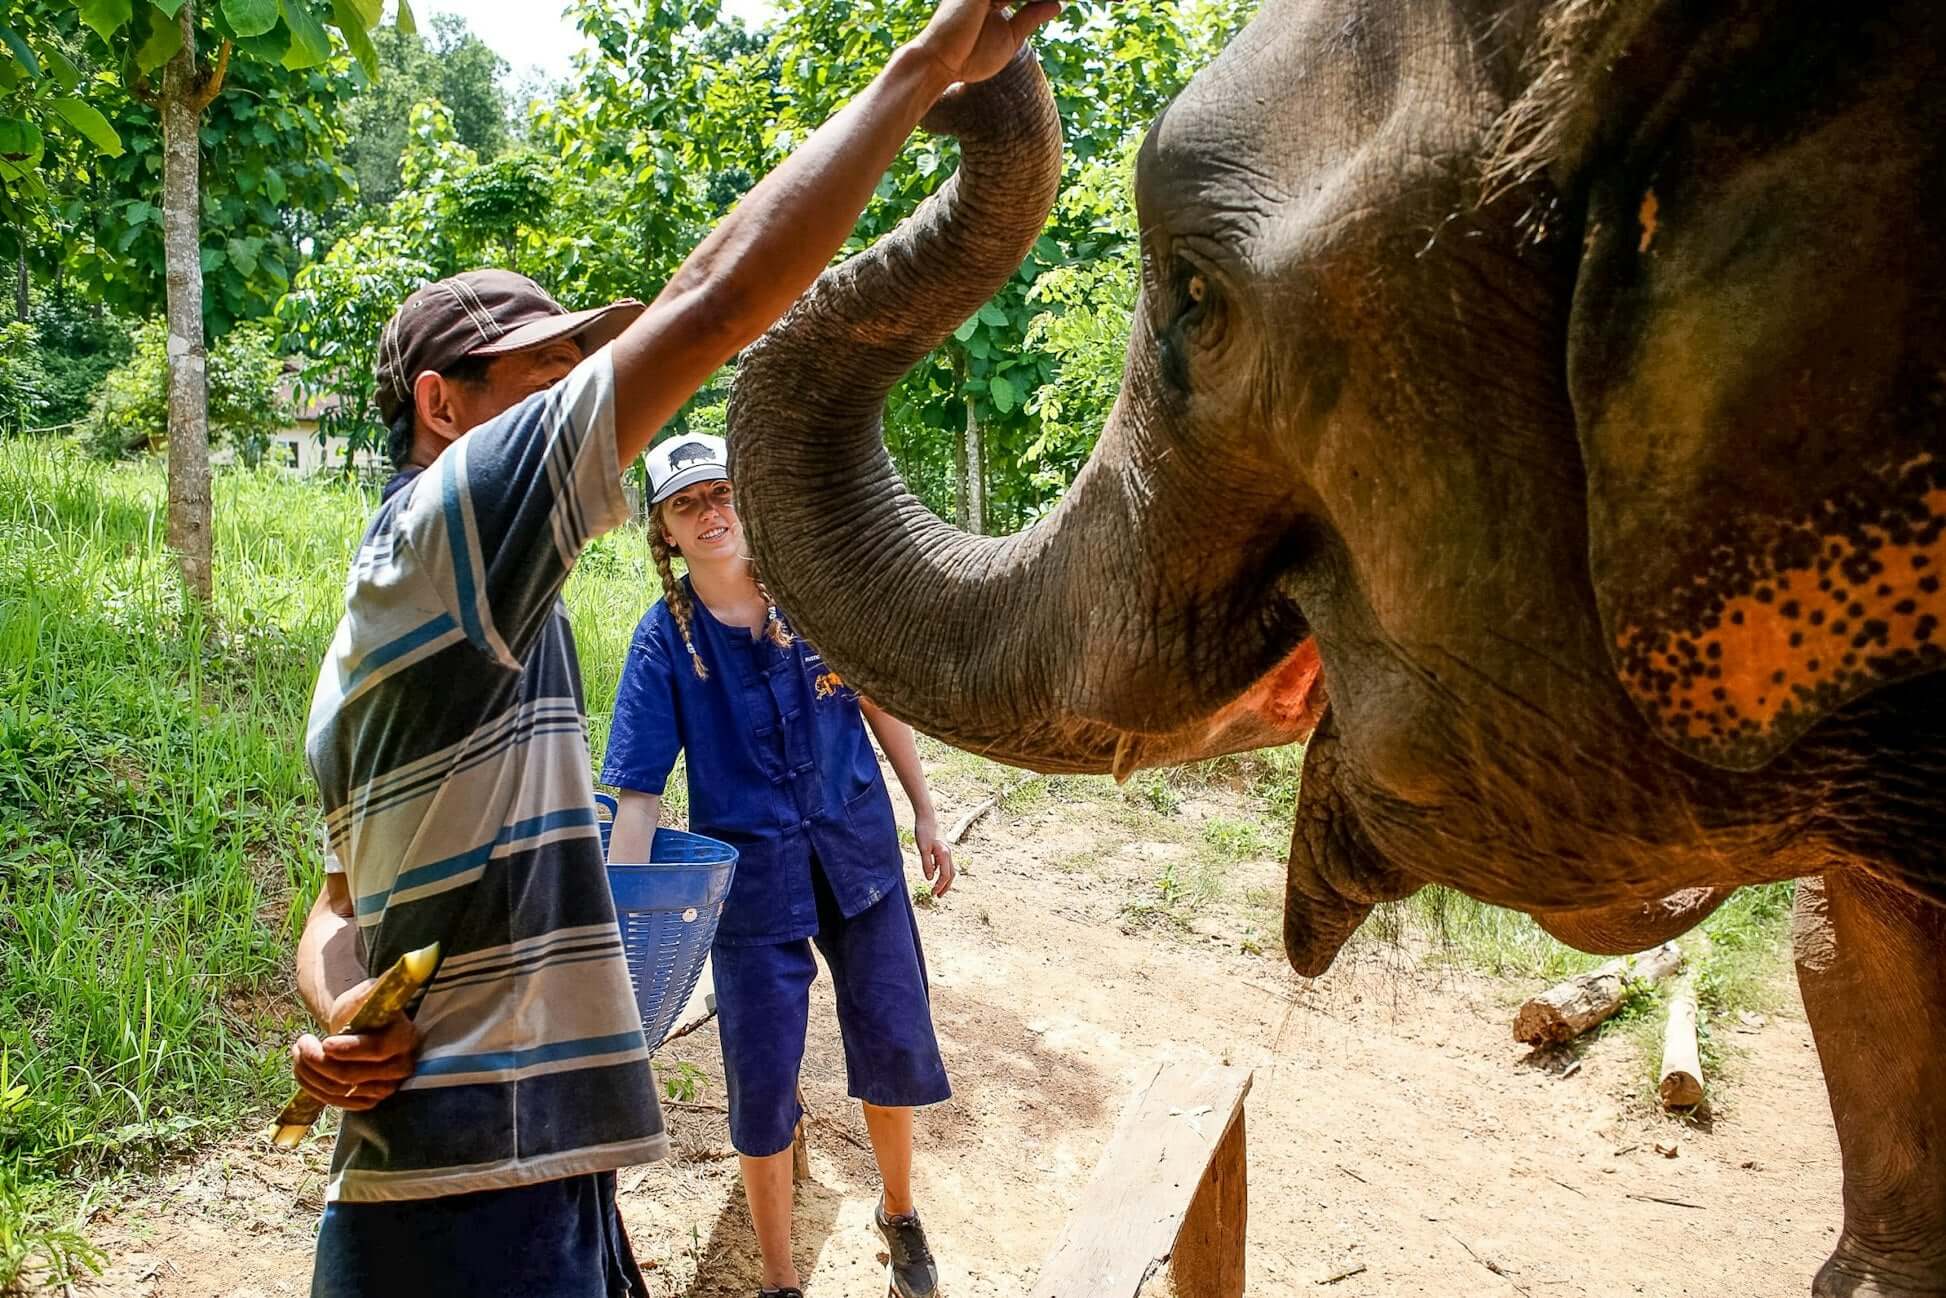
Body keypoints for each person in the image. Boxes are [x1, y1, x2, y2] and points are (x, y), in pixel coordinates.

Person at [284, 1, 1059, 1293]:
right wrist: (923, 69)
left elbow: (338, 909)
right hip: (477, 1198)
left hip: (515, 1169)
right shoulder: (444, 532)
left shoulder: (426, 626)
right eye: (548, 378)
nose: (593, 405)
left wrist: (331, 1014)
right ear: (442, 407)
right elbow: (711, 302)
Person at [602, 434, 956, 1298]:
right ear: (666, 533)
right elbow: (638, 798)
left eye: (723, 493)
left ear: (749, 502)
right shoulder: (665, 645)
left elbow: (882, 699)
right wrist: (620, 917)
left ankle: (900, 1212)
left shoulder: (812, 598)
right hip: (755, 889)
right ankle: (778, 1278)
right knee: (761, 1081)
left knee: (888, 1037)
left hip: (858, 855)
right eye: (688, 505)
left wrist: (926, 809)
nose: (712, 513)